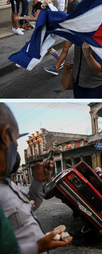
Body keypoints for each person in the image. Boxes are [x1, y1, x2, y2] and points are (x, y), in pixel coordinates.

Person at [0, 103, 73, 253]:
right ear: (4, 135)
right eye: (14, 142)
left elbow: (29, 206)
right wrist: (38, 247)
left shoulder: (5, 182)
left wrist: (38, 181)